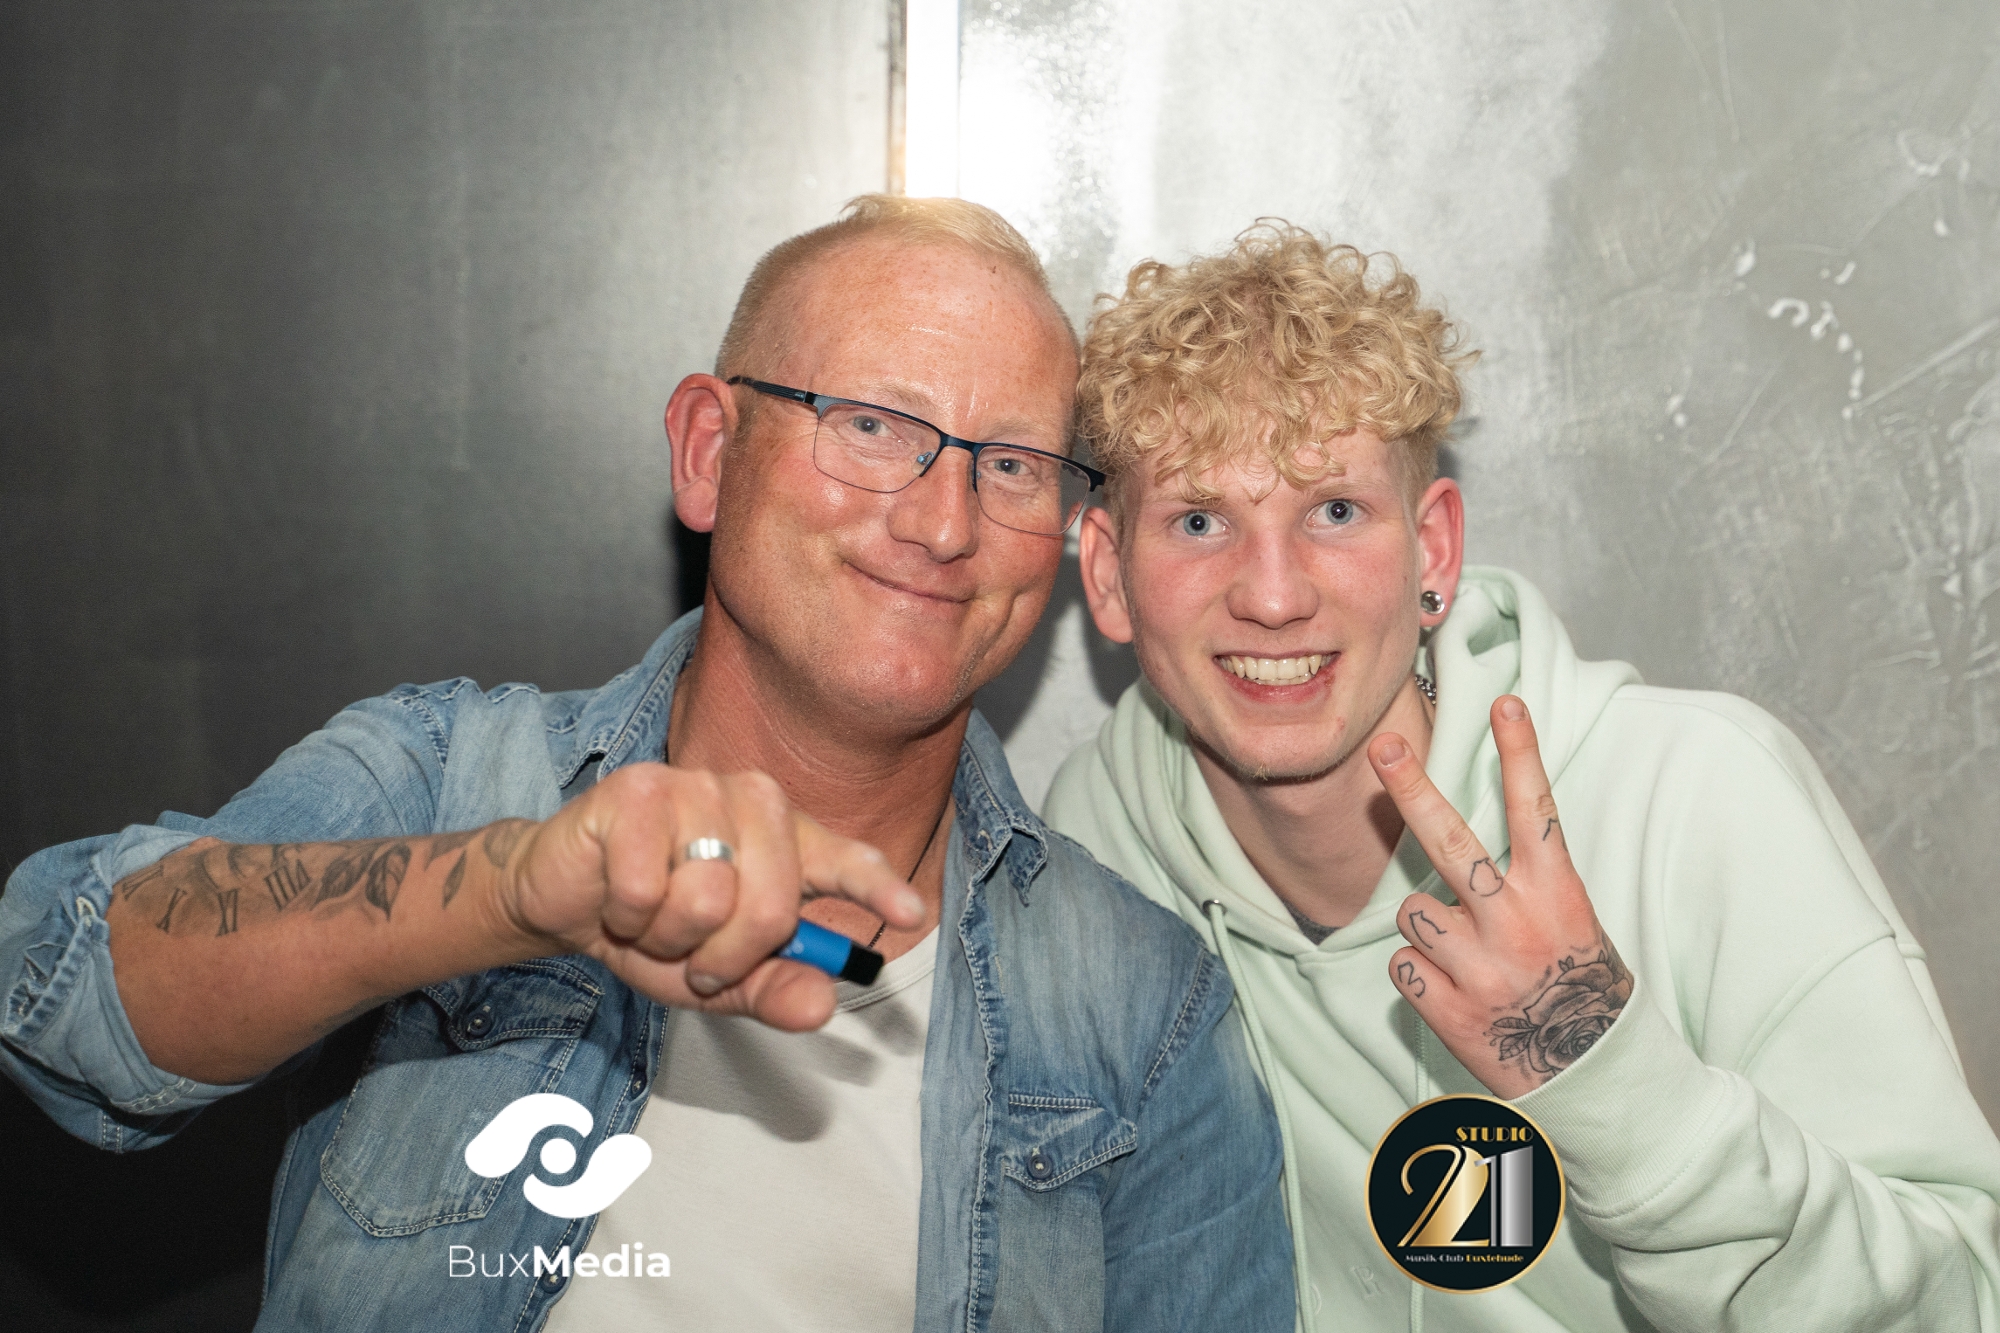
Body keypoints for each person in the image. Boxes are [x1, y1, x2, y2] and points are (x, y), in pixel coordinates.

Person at [0, 196, 1293, 1333]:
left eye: (1009, 465)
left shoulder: (1145, 1011)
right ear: (708, 452)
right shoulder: (453, 777)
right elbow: (60, 999)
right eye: (871, 424)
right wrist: (508, 889)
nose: (941, 520)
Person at [1045, 221, 2000, 1332]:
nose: (1272, 594)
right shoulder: (1092, 858)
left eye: (1335, 511)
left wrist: (1603, 1069)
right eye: (1199, 519)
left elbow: (1964, 1302)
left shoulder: (1695, 801)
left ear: (1434, 551)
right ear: (1107, 576)